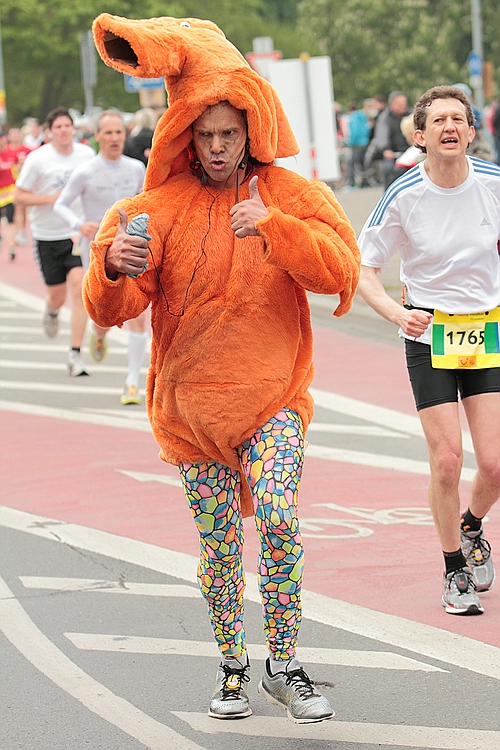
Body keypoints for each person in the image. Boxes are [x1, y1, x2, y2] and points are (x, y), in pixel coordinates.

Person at [84, 12, 360, 723]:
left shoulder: (287, 194)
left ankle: (286, 663)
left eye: (227, 135)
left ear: (249, 131)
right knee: (217, 549)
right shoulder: (152, 209)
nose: (215, 148)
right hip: (190, 414)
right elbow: (115, 309)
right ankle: (233, 664)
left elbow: (341, 270)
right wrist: (113, 267)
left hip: (273, 398)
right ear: (183, 136)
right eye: (202, 136)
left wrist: (276, 230)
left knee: (276, 518)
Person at [357, 85, 499, 616]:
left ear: (470, 129)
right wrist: (398, 314)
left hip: (486, 332)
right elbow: (364, 270)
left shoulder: (492, 184)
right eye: (438, 120)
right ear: (421, 135)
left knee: (496, 464)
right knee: (446, 461)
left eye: (458, 119)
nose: (449, 127)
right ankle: (454, 572)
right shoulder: (403, 194)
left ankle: (471, 526)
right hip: (429, 333)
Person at [54, 110, 149, 404]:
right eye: (107, 133)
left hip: (131, 248)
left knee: (138, 316)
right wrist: (79, 225)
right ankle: (99, 335)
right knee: (103, 314)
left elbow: (148, 201)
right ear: (97, 137)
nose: (114, 138)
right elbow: (62, 204)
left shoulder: (135, 169)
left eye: (119, 132)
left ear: (125, 135)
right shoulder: (86, 171)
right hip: (96, 251)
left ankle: (132, 382)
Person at [15, 106, 95, 376]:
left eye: (67, 126)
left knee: (79, 288)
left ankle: (75, 354)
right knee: (57, 295)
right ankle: (51, 310)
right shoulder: (38, 160)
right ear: (49, 132)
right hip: (47, 236)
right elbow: (19, 197)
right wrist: (51, 200)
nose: (63, 131)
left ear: (74, 129)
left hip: (77, 233)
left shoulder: (86, 155)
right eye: (58, 127)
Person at [364, 91, 410, 189]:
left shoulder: (410, 115)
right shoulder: (385, 117)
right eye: (400, 104)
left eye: (404, 103)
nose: (403, 106)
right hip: (392, 153)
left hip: (409, 150)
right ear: (392, 104)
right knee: (389, 168)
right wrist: (385, 149)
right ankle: (388, 192)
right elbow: (381, 135)